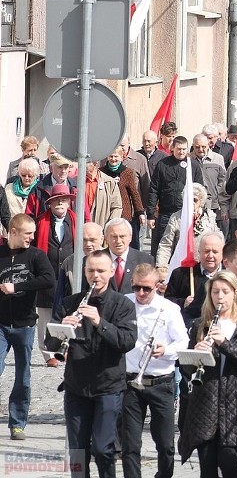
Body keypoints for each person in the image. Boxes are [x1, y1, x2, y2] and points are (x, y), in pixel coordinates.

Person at [45, 249, 138, 477]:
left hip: (108, 386)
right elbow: (50, 342)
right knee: (77, 452)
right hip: (76, 386)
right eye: (90, 270)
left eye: (100, 271)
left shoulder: (122, 305)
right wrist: (62, 330)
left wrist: (99, 322)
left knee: (103, 448)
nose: (95, 275)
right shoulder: (70, 303)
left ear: (110, 272)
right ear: (84, 272)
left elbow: (127, 341)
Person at [177, 270, 237, 478]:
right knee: (207, 465)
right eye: (215, 292)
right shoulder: (200, 324)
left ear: (235, 293)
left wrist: (224, 343)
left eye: (225, 291)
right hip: (206, 402)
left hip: (236, 402)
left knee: (228, 460)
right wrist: (196, 353)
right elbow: (187, 369)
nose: (220, 297)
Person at [122, 263, 189, 478]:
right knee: (130, 444)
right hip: (130, 381)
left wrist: (166, 350)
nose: (141, 293)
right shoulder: (124, 303)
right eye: (137, 288)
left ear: (157, 286)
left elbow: (183, 342)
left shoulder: (169, 309)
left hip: (161, 382)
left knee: (165, 444)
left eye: (147, 289)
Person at [0, 213, 54, 438]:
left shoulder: (36, 256)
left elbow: (49, 279)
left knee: (23, 376)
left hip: (25, 325)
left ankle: (18, 422)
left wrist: (18, 286)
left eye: (32, 233)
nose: (32, 237)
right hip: (1, 324)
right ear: (13, 232)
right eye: (27, 233)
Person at [33, 184, 77, 367]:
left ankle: (63, 349)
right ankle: (48, 354)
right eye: (56, 200)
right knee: (44, 316)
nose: (60, 202)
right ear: (50, 204)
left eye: (63, 199)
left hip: (68, 274)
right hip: (46, 274)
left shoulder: (75, 222)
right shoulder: (40, 222)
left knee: (66, 314)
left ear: (68, 202)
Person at [147, 135, 204, 257]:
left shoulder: (193, 165)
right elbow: (154, 189)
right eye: (179, 149)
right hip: (165, 213)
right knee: (163, 246)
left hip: (185, 213)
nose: (182, 152)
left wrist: (199, 208)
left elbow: (200, 190)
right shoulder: (162, 164)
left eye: (184, 149)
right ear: (173, 148)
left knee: (183, 247)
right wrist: (151, 214)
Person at [165, 230, 225, 328]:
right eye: (206, 251)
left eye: (215, 252)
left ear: (223, 253)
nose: (210, 256)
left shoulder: (230, 276)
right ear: (199, 251)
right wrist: (183, 302)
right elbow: (167, 302)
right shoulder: (181, 274)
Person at [156, 182, 220, 273]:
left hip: (204, 267)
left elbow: (218, 240)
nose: (191, 203)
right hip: (182, 266)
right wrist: (161, 267)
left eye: (195, 200)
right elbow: (166, 244)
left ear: (201, 201)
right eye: (188, 200)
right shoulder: (176, 217)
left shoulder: (210, 216)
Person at [100, 146, 146, 250]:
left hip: (124, 214)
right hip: (107, 213)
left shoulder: (128, 172)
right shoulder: (101, 172)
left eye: (116, 156)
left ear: (122, 157)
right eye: (111, 156)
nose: (113, 159)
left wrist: (140, 213)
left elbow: (135, 194)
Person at [103, 218, 155, 295]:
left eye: (122, 236)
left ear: (130, 237)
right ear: (106, 238)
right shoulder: (95, 260)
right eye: (114, 236)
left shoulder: (145, 260)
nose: (118, 241)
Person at [83, 161, 123, 231]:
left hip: (102, 229)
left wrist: (110, 225)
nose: (83, 163)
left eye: (87, 161)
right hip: (81, 230)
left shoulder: (109, 182)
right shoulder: (75, 181)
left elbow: (117, 207)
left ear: (95, 163)